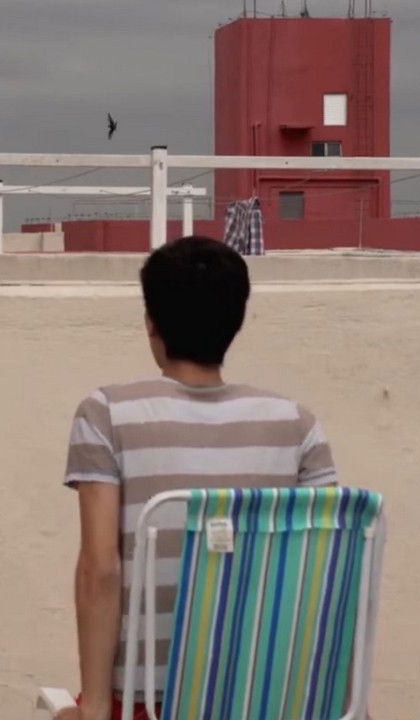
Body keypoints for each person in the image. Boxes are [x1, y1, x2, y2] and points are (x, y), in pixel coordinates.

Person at [57, 236, 337, 720]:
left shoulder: (106, 414)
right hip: (268, 700)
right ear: (237, 320)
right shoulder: (298, 426)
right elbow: (323, 572)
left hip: (148, 702)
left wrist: (97, 707)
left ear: (152, 323)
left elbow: (100, 570)